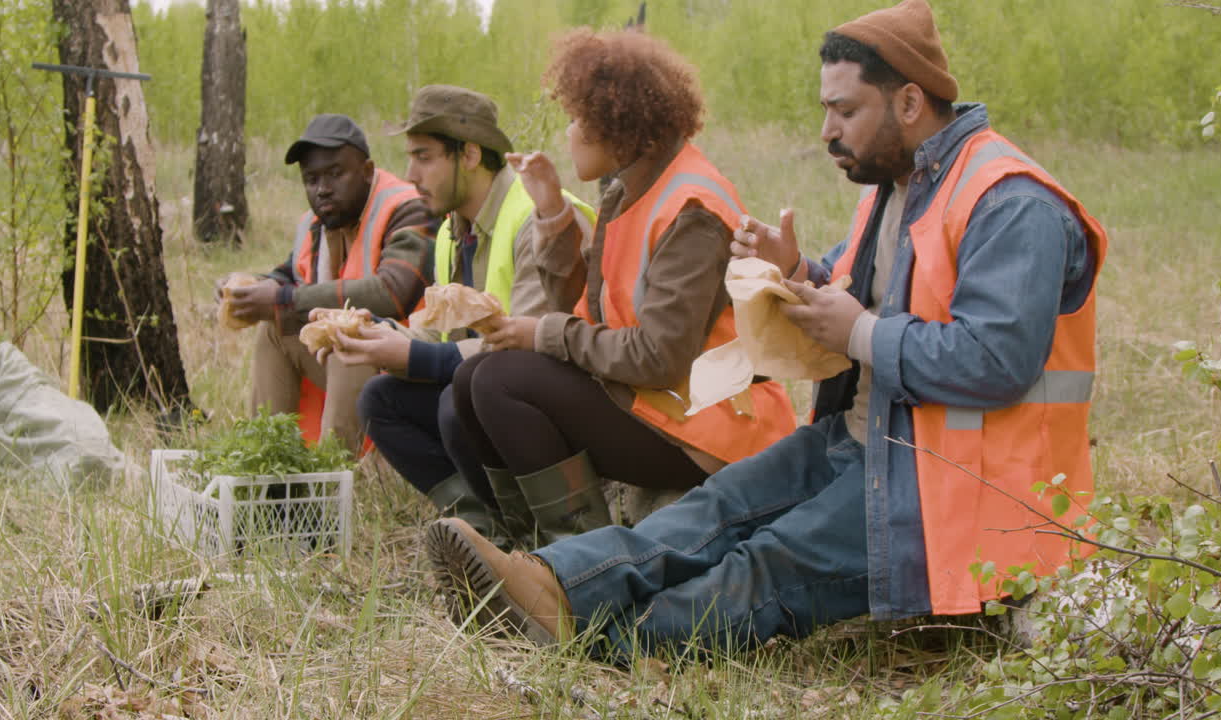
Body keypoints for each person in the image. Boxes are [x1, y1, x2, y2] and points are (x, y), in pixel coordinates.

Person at [425, 0, 1109, 662]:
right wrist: (799, 274)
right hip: (868, 440)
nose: (827, 130)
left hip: (955, 487)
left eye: (845, 110)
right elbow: (856, 301)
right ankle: (549, 582)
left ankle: (594, 637)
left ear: (908, 102)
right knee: (721, 508)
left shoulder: (1009, 202)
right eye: (825, 110)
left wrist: (859, 332)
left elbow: (995, 361)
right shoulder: (897, 190)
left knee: (771, 560)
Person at [433, 28, 797, 552]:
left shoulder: (691, 208)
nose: (569, 133)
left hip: (711, 427)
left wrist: (545, 334)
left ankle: (586, 567)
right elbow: (593, 314)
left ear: (618, 123)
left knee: (497, 381)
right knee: (469, 381)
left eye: (579, 119)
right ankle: (529, 549)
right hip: (660, 402)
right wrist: (554, 217)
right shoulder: (632, 188)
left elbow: (658, 359)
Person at [326, 85, 594, 542]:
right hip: (495, 388)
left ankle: (546, 537)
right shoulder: (453, 229)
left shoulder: (531, 217)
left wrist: (412, 358)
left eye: (424, 156)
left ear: (469, 155)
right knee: (380, 400)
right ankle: (484, 531)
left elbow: (525, 353)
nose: (410, 174)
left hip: (564, 397)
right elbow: (443, 336)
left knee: (458, 403)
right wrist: (380, 335)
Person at [221, 114, 434, 456]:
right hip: (363, 367)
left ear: (367, 170)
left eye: (336, 174)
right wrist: (247, 289)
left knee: (349, 339)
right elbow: (290, 275)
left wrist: (281, 299)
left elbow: (393, 292)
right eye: (311, 179)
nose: (322, 188)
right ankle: (266, 465)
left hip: (417, 365)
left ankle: (331, 481)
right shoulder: (320, 221)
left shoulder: (408, 207)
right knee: (276, 329)